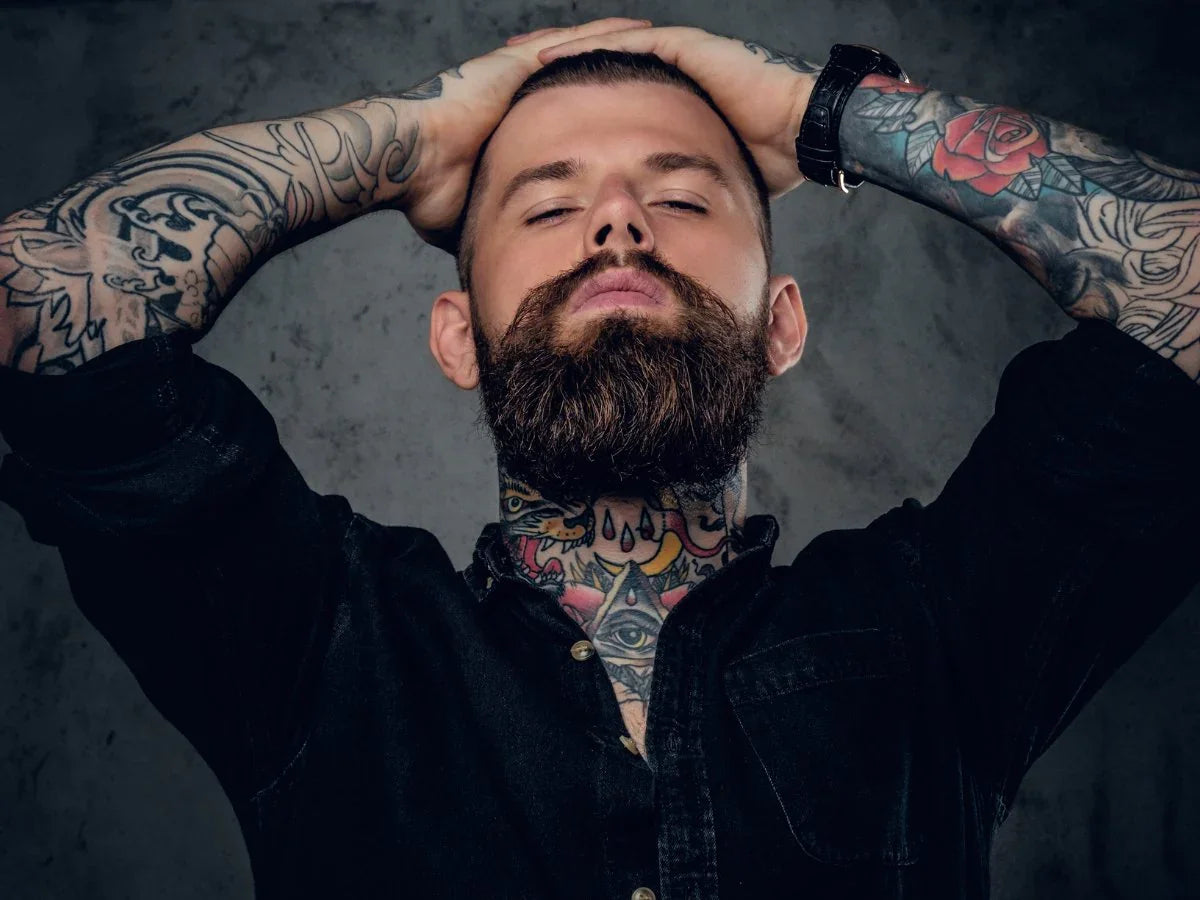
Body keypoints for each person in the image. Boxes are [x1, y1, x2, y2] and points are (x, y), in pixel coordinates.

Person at [1, 16, 1198, 900]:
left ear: (781, 325)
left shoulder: (933, 633)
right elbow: (39, 293)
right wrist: (408, 137)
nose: (618, 221)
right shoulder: (323, 643)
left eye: (682, 198)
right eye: (545, 207)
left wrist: (829, 112)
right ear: (458, 337)